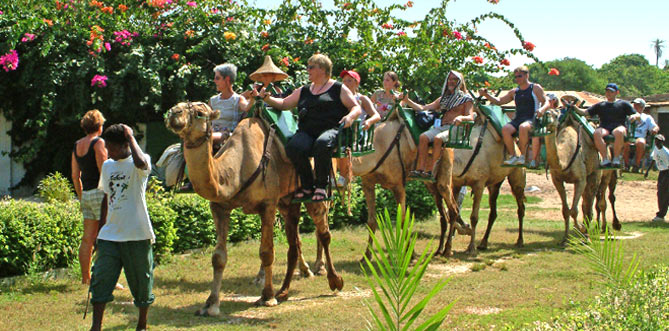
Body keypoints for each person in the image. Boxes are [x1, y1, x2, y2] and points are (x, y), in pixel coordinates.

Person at [257, 54, 361, 201]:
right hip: (308, 131)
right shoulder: (304, 90)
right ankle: (307, 185)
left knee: (322, 143)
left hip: (331, 129)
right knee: (294, 147)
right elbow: (284, 104)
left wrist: (350, 117)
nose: (308, 70)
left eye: (311, 67)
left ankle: (321, 186)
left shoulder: (338, 88)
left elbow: (356, 108)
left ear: (323, 69)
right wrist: (267, 98)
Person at [89, 124, 155, 331]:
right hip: (110, 235)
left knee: (142, 284)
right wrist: (99, 232)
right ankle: (96, 327)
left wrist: (131, 136)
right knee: (100, 280)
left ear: (126, 145)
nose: (109, 152)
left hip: (137, 234)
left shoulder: (139, 163)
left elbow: (141, 163)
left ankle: (141, 325)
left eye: (113, 147)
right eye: (107, 147)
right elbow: (106, 197)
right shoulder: (108, 166)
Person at [404, 70, 476, 179]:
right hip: (442, 127)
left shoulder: (466, 99)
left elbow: (470, 117)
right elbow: (423, 108)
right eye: (449, 79)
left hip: (457, 129)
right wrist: (407, 100)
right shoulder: (444, 98)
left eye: (454, 79)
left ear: (460, 82)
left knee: (438, 138)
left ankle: (432, 171)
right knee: (423, 137)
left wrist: (461, 117)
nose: (451, 82)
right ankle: (419, 169)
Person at [479, 66, 546, 166]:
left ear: (527, 75)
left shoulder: (535, 88)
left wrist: (542, 109)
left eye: (520, 76)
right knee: (505, 129)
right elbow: (499, 101)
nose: (517, 79)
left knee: (523, 127)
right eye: (516, 77)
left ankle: (523, 156)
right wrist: (486, 95)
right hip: (518, 119)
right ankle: (513, 156)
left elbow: (547, 102)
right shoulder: (514, 92)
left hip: (532, 118)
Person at [71, 110, 107, 285]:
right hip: (100, 194)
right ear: (99, 126)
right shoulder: (98, 143)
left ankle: (86, 278)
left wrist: (81, 195)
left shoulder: (77, 144)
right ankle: (106, 278)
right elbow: (104, 172)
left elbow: (75, 175)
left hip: (86, 194)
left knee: (87, 239)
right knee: (105, 238)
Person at [574, 83, 638, 167]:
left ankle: (616, 158)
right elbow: (585, 112)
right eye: (607, 91)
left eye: (611, 92)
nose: (608, 93)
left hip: (618, 126)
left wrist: (634, 116)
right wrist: (574, 108)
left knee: (619, 132)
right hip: (605, 127)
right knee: (597, 133)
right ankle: (605, 159)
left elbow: (637, 114)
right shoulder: (601, 105)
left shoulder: (623, 104)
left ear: (616, 93)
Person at [336, 69, 381, 187]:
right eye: (344, 81)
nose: (346, 83)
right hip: (340, 129)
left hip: (356, 131)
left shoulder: (361, 99)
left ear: (357, 83)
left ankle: (342, 176)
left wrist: (369, 121)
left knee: (344, 142)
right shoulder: (339, 97)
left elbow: (376, 115)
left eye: (349, 81)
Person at [209, 63, 255, 144]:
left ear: (227, 79)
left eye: (217, 78)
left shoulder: (237, 99)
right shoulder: (213, 100)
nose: (214, 81)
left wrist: (252, 99)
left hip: (229, 138)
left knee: (207, 138)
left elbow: (247, 107)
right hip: (211, 134)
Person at [624, 98, 659, 172]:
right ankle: (626, 165)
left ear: (642, 107)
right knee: (625, 142)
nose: (635, 107)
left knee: (641, 143)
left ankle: (636, 165)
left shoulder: (647, 117)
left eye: (638, 105)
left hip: (639, 137)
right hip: (628, 136)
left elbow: (655, 126)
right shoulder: (627, 116)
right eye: (634, 105)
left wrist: (655, 129)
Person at [532, 93, 560, 168]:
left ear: (554, 101)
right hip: (543, 131)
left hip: (554, 132)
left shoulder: (556, 111)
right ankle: (534, 160)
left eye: (549, 100)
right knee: (535, 136)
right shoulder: (541, 111)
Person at [646, 135, 669, 222]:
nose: (656, 142)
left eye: (658, 141)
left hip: (666, 172)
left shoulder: (666, 152)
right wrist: (647, 171)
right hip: (662, 172)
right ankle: (661, 214)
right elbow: (654, 160)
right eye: (655, 141)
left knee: (663, 194)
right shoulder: (656, 149)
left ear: (662, 142)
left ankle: (660, 215)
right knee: (662, 194)